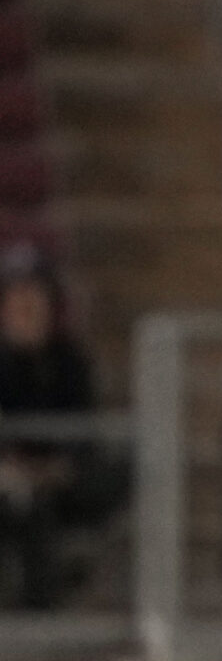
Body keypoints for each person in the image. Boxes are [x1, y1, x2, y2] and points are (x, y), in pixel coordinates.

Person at [0, 246, 104, 608]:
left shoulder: (68, 361)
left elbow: (84, 431)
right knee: (22, 503)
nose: (27, 307)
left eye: (35, 296)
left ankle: (45, 606)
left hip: (59, 480)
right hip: (6, 479)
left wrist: (56, 468)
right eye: (17, 297)